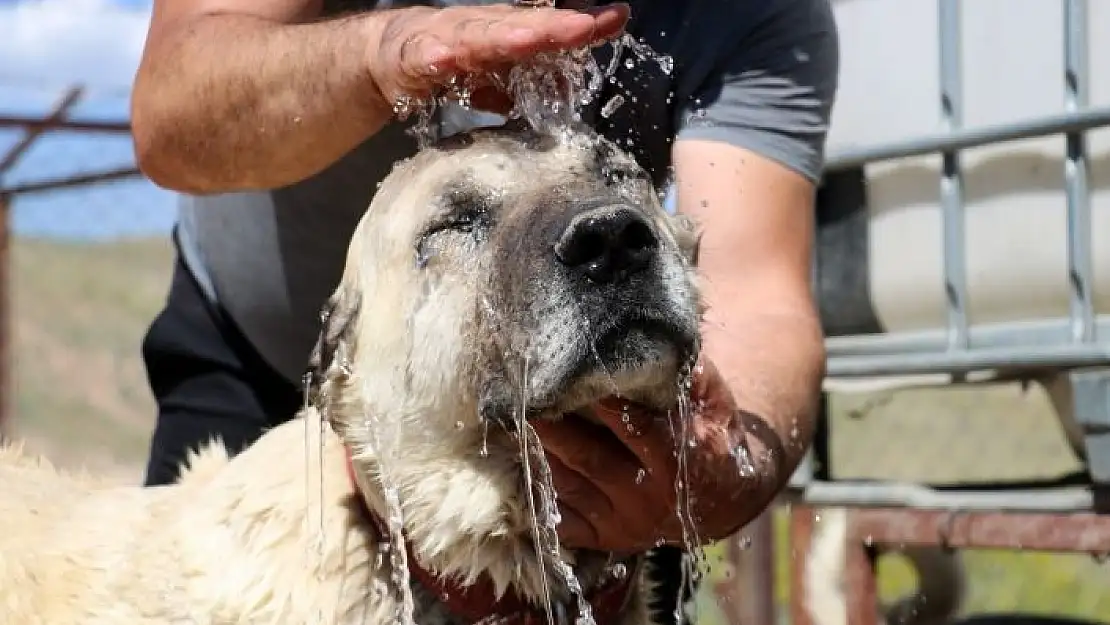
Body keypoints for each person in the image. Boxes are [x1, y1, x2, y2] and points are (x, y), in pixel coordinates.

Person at [130, 0, 839, 621]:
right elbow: (172, 109)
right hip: (258, 361)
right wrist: (381, 56)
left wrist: (725, 466)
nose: (605, 226)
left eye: (612, 177)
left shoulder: (759, 14)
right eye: (459, 218)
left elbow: (758, 298)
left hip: (604, 451)